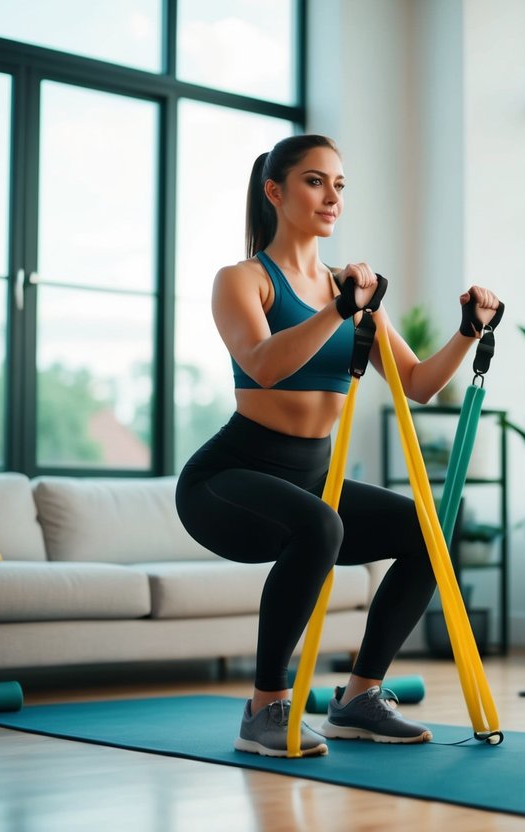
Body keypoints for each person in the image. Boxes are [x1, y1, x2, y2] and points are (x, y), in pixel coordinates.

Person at [175, 134, 502, 759]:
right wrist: (336, 310)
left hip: (309, 483)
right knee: (320, 525)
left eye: (340, 185)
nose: (332, 197)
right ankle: (266, 708)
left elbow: (417, 384)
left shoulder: (352, 293)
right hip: (226, 482)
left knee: (425, 532)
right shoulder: (244, 280)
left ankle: (358, 700)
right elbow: (263, 364)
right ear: (276, 191)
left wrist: (469, 332)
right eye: (315, 181)